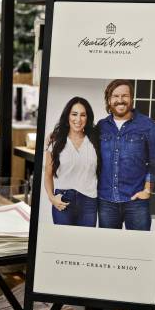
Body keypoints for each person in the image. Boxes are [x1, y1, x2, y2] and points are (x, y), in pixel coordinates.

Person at [97, 79, 155, 231]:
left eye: (124, 96)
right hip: (106, 201)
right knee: (110, 249)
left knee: (139, 249)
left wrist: (147, 191)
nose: (120, 100)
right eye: (115, 96)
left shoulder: (147, 125)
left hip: (136, 201)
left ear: (131, 98)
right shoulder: (100, 126)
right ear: (109, 100)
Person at [45, 97, 99, 227]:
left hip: (89, 202)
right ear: (68, 116)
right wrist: (52, 198)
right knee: (63, 244)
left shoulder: (95, 141)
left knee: (84, 244)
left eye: (83, 115)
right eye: (74, 114)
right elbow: (48, 174)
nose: (78, 119)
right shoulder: (55, 141)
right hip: (63, 200)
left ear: (87, 118)